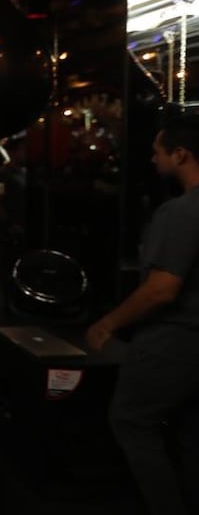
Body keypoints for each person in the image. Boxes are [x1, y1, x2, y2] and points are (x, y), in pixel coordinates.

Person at [86, 114, 199, 515]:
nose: (152, 160)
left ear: (180, 154)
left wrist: (107, 324)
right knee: (188, 432)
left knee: (131, 421)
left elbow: (162, 290)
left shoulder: (181, 213)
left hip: (175, 340)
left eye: (157, 152)